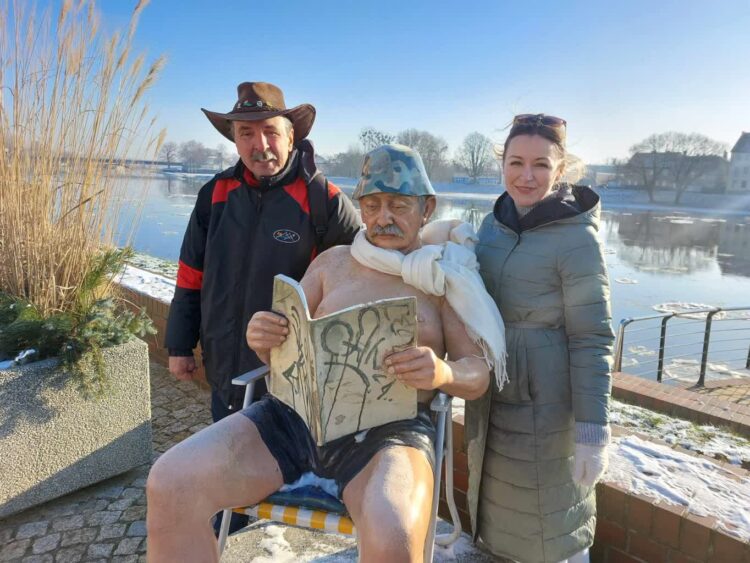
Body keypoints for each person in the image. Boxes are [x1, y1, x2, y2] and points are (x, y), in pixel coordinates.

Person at [147, 144, 506, 563]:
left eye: (398, 205)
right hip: (292, 420)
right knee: (170, 482)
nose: (383, 218)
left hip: (390, 433)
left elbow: (478, 374)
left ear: (426, 208)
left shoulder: (443, 278)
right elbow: (283, 349)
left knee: (393, 529)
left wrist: (443, 373)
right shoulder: (334, 263)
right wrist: (263, 337)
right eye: (371, 205)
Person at [466, 114, 614, 563]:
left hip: (548, 401)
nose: (526, 176)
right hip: (494, 391)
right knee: (498, 511)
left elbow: (592, 337)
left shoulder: (577, 238)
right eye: (516, 162)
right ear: (502, 165)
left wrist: (592, 432)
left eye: (541, 165)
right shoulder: (492, 224)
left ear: (560, 170)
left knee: (552, 523)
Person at [165, 81, 361, 417]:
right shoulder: (214, 194)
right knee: (227, 444)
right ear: (235, 139)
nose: (260, 145)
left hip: (293, 382)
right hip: (224, 371)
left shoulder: (325, 202)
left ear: (290, 137)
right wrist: (180, 345)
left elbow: (354, 291)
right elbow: (190, 275)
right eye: (246, 134)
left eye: (270, 132)